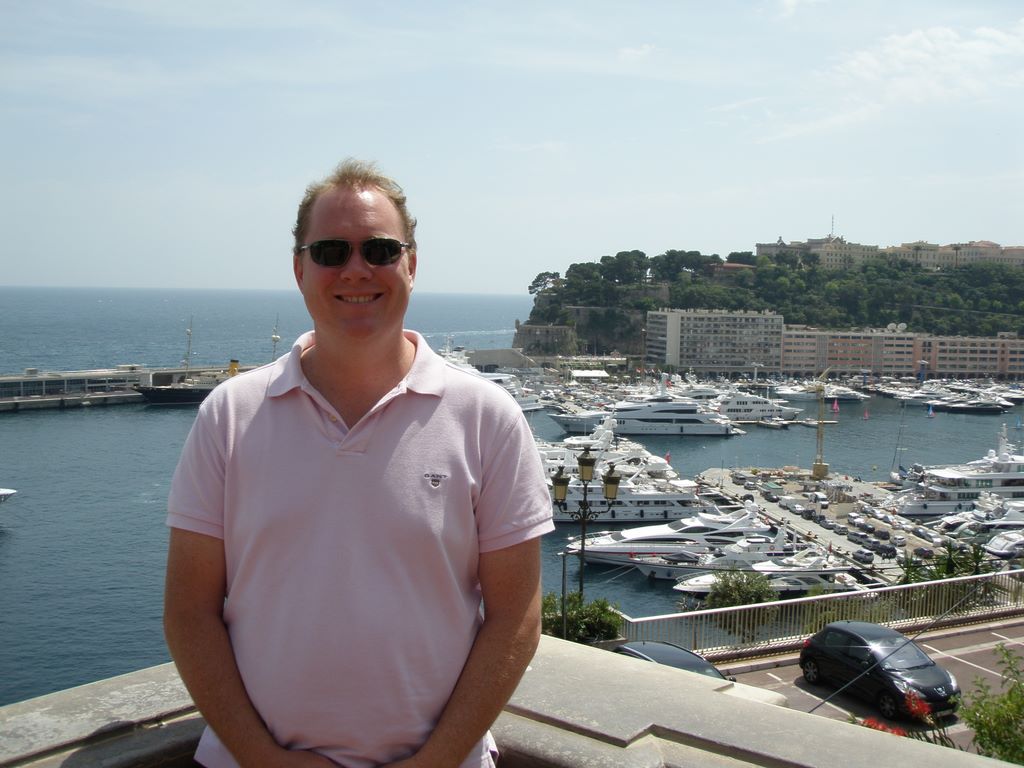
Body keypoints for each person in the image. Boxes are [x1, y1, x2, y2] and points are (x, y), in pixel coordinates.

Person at [163, 159, 554, 768]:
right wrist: (263, 759)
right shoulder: (229, 415)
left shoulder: (487, 416)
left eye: (379, 249)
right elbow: (189, 612)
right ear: (300, 269)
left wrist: (434, 762)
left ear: (411, 264)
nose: (355, 269)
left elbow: (516, 619)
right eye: (330, 251)